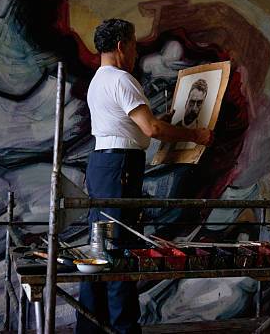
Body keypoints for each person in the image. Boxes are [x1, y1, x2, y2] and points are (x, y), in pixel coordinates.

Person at [78, 18, 212, 334]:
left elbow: (140, 124)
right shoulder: (122, 80)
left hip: (103, 165)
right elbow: (151, 129)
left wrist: (158, 121)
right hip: (120, 168)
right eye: (135, 45)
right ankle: (124, 329)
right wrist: (196, 135)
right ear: (122, 45)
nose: (136, 52)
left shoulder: (98, 80)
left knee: (99, 248)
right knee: (118, 249)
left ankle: (91, 328)